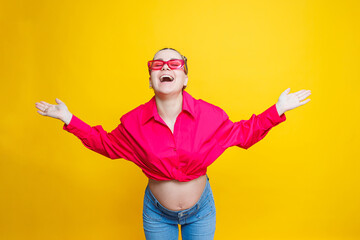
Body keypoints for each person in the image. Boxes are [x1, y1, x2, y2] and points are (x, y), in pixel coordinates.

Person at [35, 47, 311, 240]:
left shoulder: (210, 116)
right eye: (158, 64)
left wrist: (276, 111)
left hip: (201, 211)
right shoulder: (133, 123)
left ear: (185, 78)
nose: (165, 67)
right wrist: (69, 119)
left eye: (174, 64)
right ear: (151, 79)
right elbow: (105, 144)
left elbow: (244, 133)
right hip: (157, 213)